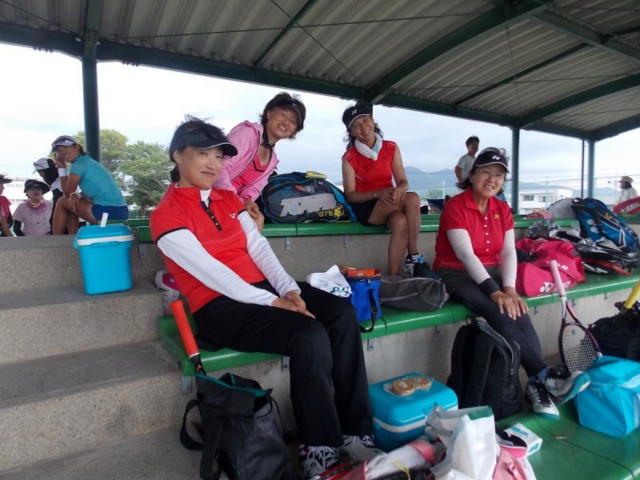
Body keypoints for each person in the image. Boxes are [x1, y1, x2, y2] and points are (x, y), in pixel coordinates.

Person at [150, 117, 380, 479]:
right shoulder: (166, 215)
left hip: (261, 289)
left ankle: (355, 431)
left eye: (219, 156)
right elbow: (216, 274)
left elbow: (258, 247)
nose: (213, 163)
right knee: (307, 334)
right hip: (219, 307)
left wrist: (289, 289)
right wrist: (275, 302)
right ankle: (318, 448)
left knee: (339, 313)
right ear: (178, 155)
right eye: (202, 153)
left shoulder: (227, 198)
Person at [433, 148, 590, 419]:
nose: (492, 179)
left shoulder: (502, 208)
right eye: (486, 172)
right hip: (456, 273)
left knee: (519, 310)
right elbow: (465, 255)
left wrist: (509, 289)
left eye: (498, 175)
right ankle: (544, 376)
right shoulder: (455, 206)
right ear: (472, 175)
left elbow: (507, 251)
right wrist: (495, 293)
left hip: (491, 271)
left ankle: (538, 383)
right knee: (496, 309)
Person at [341, 102, 426, 276]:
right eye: (356, 125)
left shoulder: (391, 147)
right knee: (413, 199)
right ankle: (414, 255)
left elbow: (403, 181)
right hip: (367, 206)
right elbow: (350, 196)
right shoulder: (349, 158)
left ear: (372, 120)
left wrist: (400, 188)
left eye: (365, 120)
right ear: (351, 132)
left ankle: (393, 277)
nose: (363, 127)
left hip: (390, 200)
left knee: (400, 221)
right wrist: (377, 193)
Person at [213, 92, 306, 231]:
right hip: (212, 195)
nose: (286, 122)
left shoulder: (272, 160)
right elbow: (219, 168)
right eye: (283, 114)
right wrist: (238, 203)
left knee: (258, 218)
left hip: (231, 204)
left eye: (293, 121)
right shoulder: (247, 133)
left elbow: (254, 189)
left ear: (294, 131)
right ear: (268, 113)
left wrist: (248, 201)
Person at [50, 135, 128, 234]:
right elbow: (96, 190)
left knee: (62, 201)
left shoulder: (78, 165)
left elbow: (67, 193)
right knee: (72, 202)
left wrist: (61, 168)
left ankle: (55, 240)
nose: (62, 153)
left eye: (64, 148)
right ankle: (72, 237)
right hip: (121, 211)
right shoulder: (87, 161)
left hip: (108, 211)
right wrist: (78, 195)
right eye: (59, 151)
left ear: (76, 146)